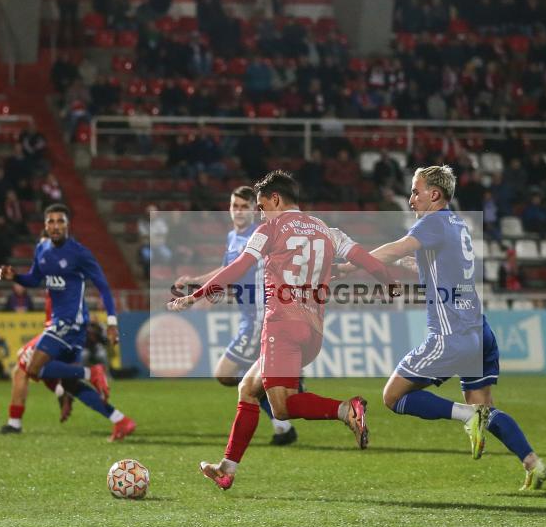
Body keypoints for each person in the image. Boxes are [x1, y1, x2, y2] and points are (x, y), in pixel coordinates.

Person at [169, 170, 398, 490]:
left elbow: (237, 268)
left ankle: (347, 409)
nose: (260, 213)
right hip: (313, 330)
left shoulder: (270, 228)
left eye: (261, 206)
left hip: (281, 326)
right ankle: (227, 468)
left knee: (282, 407)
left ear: (275, 200)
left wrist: (196, 295)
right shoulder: (328, 230)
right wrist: (390, 283)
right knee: (248, 389)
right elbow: (368, 260)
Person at [338, 165, 546, 491]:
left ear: (434, 194)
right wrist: (412, 263)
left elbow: (395, 249)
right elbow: (436, 261)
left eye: (415, 190)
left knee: (393, 397)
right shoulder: (456, 222)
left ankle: (468, 417)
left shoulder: (433, 222)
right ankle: (533, 464)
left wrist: (349, 266)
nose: (411, 198)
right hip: (479, 331)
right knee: (486, 409)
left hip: (451, 335)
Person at [0, 203, 136, 442]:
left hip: (69, 324)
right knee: (70, 383)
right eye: (50, 222)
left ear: (68, 225)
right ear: (45, 225)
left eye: (60, 221)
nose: (55, 226)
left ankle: (92, 371)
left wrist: (112, 322)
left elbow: (103, 286)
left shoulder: (79, 253)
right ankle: (120, 420)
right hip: (59, 324)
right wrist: (16, 277)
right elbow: (34, 279)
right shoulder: (42, 250)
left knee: (32, 368)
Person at [175, 186, 297, 445]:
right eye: (234, 206)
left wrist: (207, 296)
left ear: (254, 209)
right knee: (250, 376)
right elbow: (226, 268)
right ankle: (282, 424)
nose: (238, 211)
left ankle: (284, 415)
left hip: (260, 317)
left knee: (225, 373)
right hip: (248, 317)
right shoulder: (233, 236)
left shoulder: (258, 235)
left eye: (244, 206)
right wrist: (197, 281)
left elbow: (238, 271)